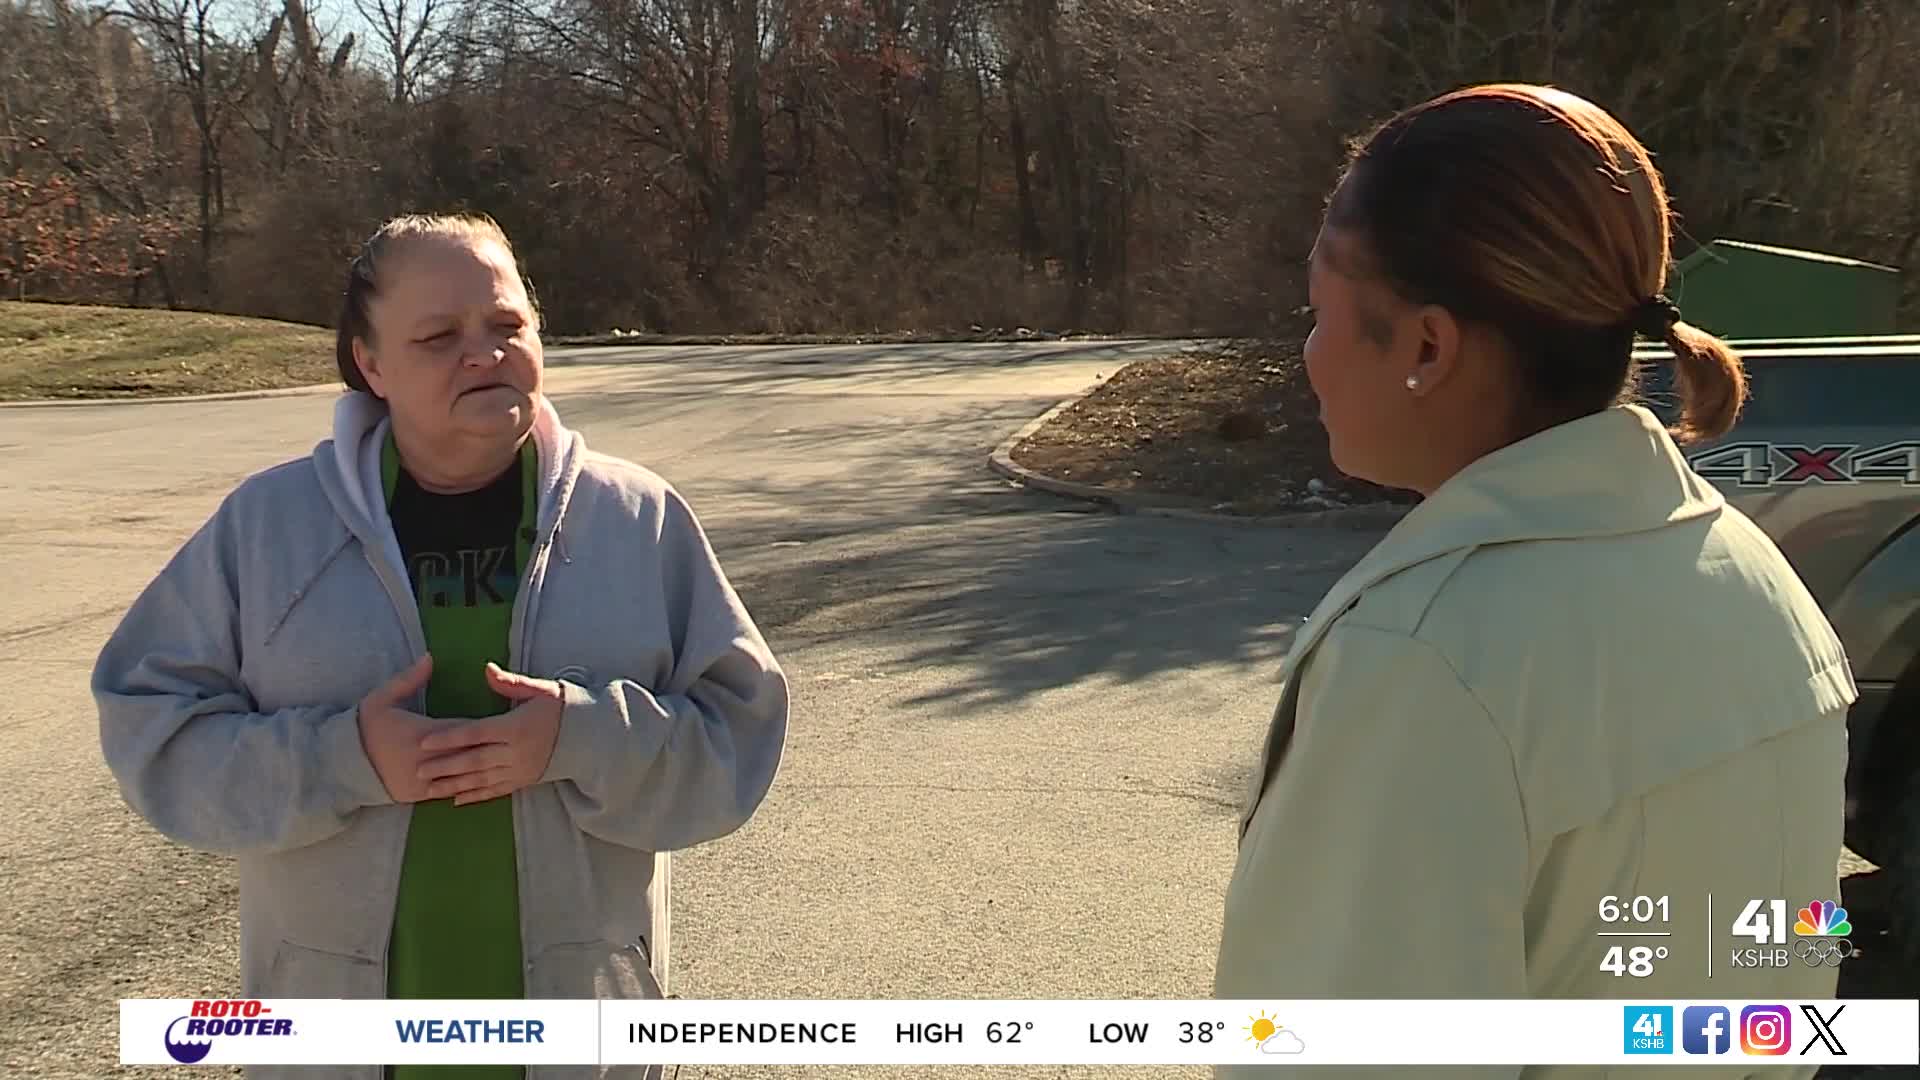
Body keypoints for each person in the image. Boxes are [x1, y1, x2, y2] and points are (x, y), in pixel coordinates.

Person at [1214, 85, 1853, 1077]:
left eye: (1319, 311)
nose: (1309, 353)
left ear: (1427, 347)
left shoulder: (1425, 660)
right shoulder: (1756, 579)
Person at [94, 212, 789, 1080]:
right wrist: (343, 758)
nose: (484, 353)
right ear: (371, 365)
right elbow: (151, 730)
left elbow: (738, 734)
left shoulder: (635, 519)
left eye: (506, 324)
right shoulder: (269, 528)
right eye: (438, 337)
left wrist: (580, 739)